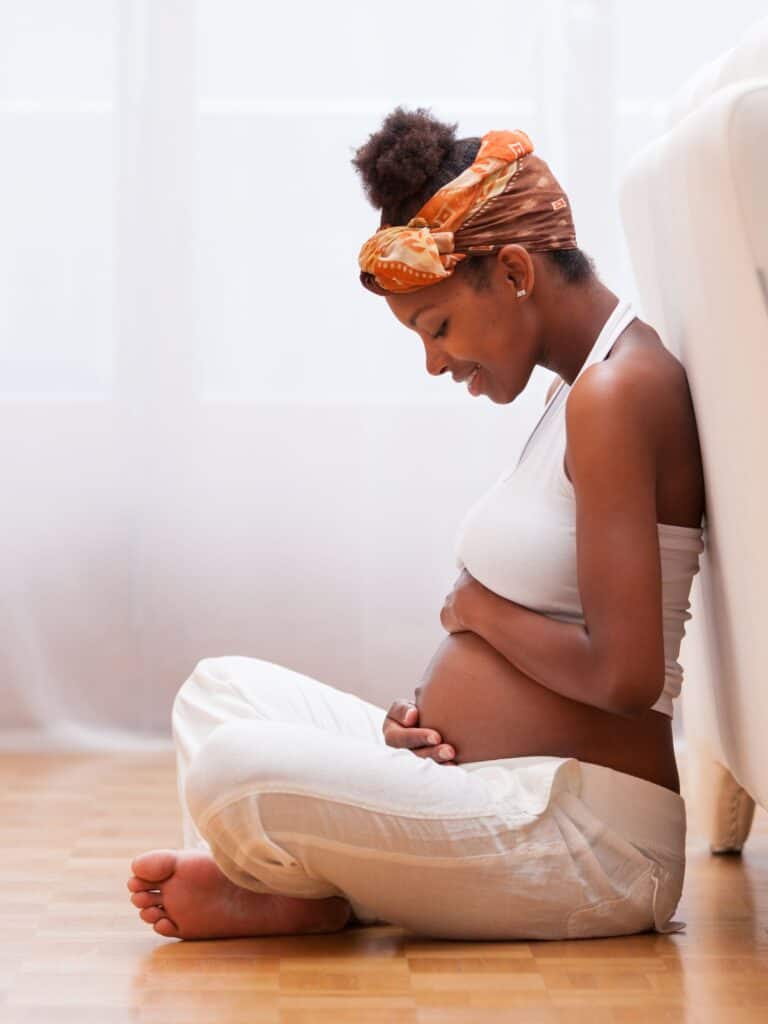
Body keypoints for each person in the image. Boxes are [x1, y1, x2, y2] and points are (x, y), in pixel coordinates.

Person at [126, 107, 706, 942]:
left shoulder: (618, 394)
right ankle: (325, 882)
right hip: (497, 786)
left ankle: (313, 889)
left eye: (437, 327)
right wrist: (433, 715)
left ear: (512, 272)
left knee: (233, 772)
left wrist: (475, 613)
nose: (436, 361)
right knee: (219, 691)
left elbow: (625, 680)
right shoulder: (577, 391)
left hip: (592, 843)